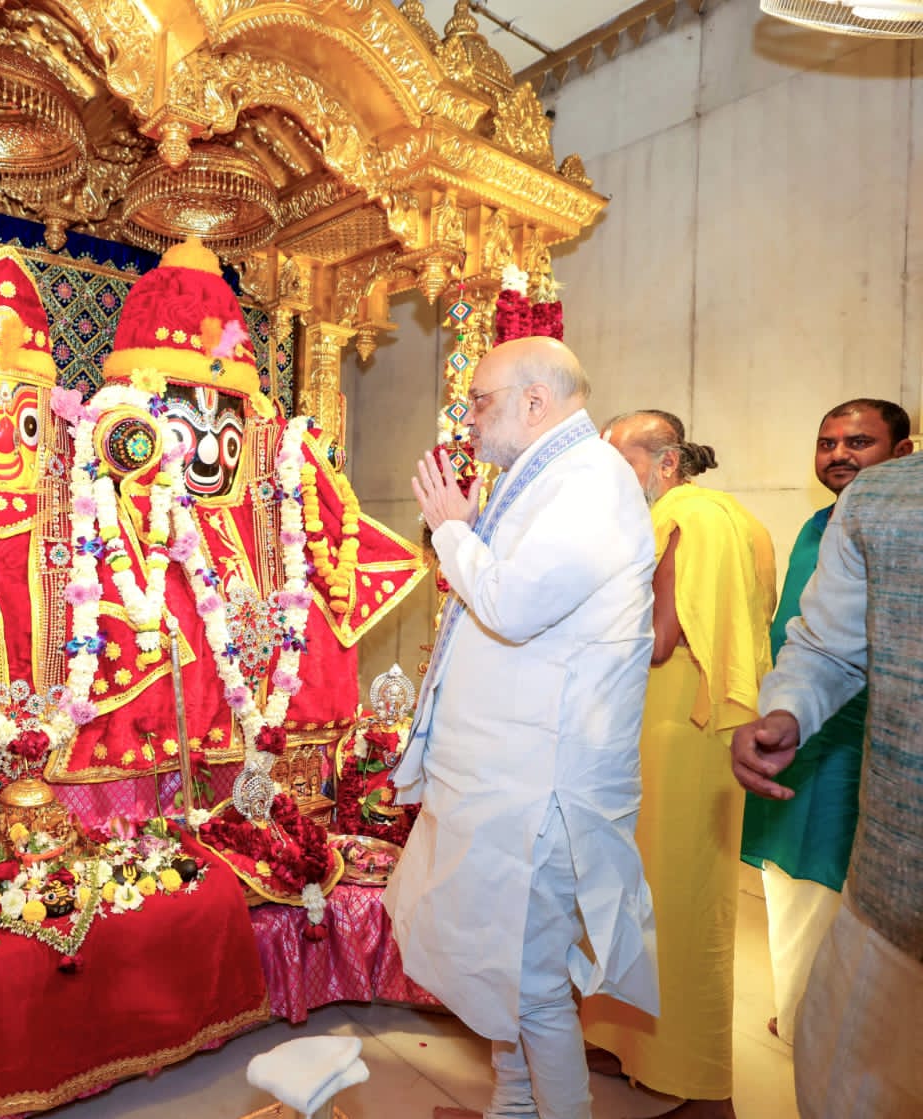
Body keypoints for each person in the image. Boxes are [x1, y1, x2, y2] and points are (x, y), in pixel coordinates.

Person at [385, 336, 660, 1119]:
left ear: (535, 402)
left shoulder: (591, 481)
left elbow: (510, 605)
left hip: (544, 788)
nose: (468, 419)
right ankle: (512, 1109)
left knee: (532, 986)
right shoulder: (543, 478)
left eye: (479, 401)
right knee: (501, 972)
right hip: (505, 776)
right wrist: (471, 528)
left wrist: (451, 530)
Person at [588, 411, 777, 1119]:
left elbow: (660, 638)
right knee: (644, 895)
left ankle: (704, 1085)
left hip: (678, 737)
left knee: (676, 906)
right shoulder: (738, 519)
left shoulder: (683, 518)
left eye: (621, 461)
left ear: (666, 463)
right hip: (689, 731)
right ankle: (622, 1042)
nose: (608, 476)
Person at [731, 451, 923, 1118]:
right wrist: (789, 709)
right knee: (844, 1085)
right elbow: (827, 648)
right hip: (896, 874)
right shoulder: (882, 500)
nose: (838, 453)